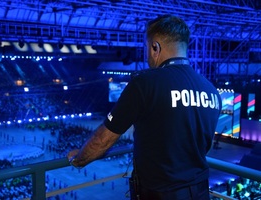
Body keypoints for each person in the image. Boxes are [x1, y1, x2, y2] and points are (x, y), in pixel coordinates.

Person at [67, 14, 222, 200]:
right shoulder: (211, 90)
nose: (147, 54)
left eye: (147, 48)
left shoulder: (145, 83)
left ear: (155, 47)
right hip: (199, 191)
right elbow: (206, 145)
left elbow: (103, 140)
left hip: (160, 193)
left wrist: (78, 159)